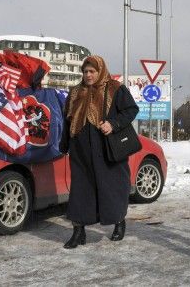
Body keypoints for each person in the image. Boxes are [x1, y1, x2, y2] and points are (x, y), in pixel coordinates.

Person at [60, 55, 139, 249]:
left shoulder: (114, 88)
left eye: (92, 71)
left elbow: (131, 110)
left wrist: (113, 123)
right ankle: (78, 231)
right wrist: (64, 145)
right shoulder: (75, 92)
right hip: (81, 149)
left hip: (107, 148)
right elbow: (67, 120)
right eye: (85, 72)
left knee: (112, 187)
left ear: (100, 71)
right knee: (80, 190)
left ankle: (119, 222)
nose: (88, 75)